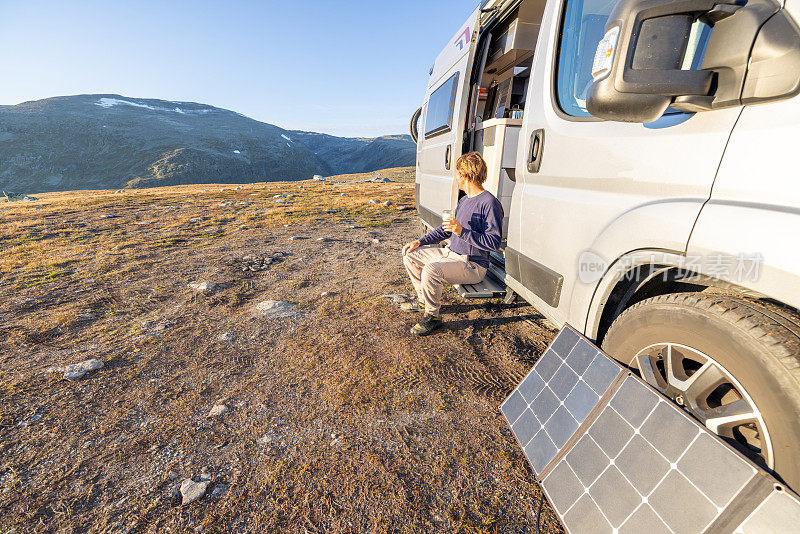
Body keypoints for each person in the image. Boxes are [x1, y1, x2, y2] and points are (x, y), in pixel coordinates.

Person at [401, 152, 504, 335]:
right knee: (410, 256)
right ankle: (423, 300)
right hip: (451, 253)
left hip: (472, 264)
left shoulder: (489, 203)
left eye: (457, 173)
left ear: (464, 175)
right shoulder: (464, 200)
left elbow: (493, 243)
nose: (456, 178)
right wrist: (419, 242)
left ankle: (433, 317)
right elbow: (445, 229)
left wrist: (462, 232)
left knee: (432, 270)